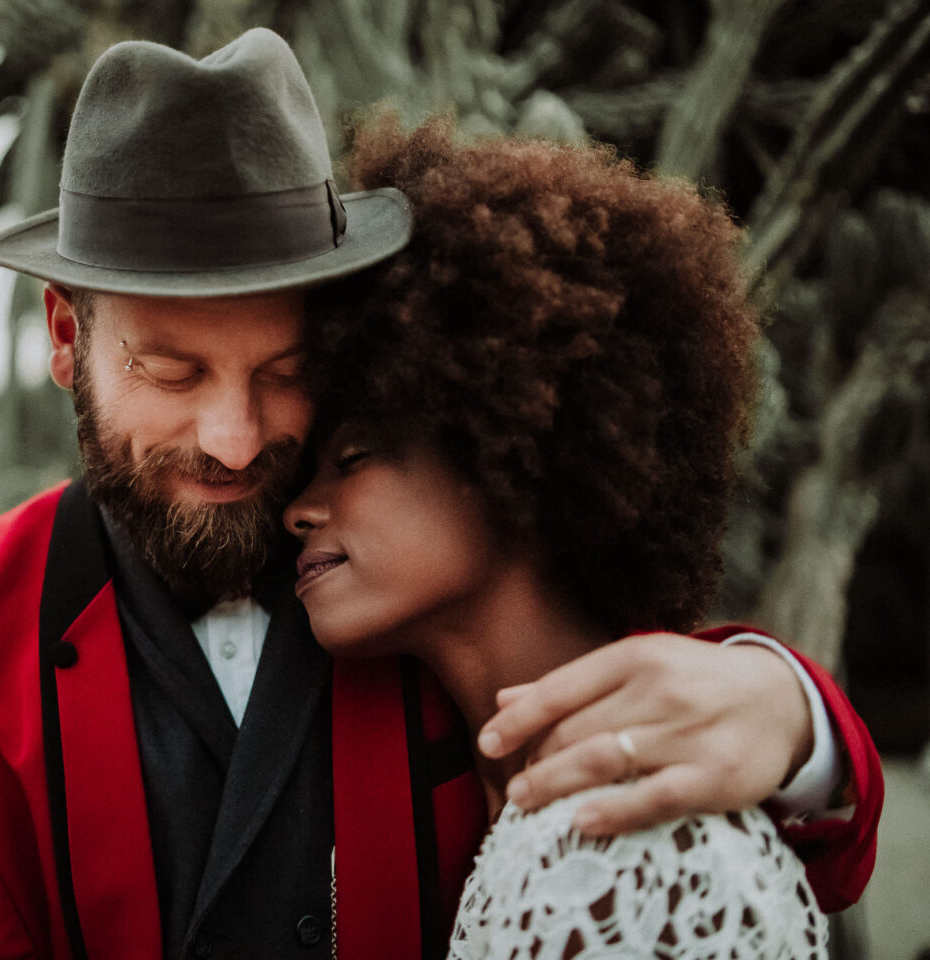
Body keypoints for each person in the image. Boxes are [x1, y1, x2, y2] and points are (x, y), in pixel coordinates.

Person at [0, 29, 882, 960]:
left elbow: (656, 733)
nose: (236, 440)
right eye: (172, 374)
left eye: (284, 370)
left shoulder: (402, 553)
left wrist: (794, 717)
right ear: (63, 336)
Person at [284, 114, 872, 958]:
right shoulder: (513, 792)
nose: (295, 510)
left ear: (510, 446)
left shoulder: (654, 839)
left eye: (354, 457)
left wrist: (797, 713)